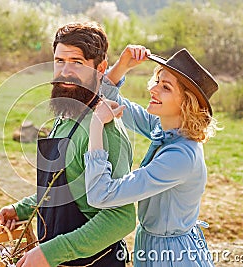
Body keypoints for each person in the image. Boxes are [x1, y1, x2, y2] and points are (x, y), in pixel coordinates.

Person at [0, 22, 136, 267]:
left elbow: (120, 218)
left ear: (100, 69)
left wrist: (52, 253)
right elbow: (66, 187)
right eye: (59, 61)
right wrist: (22, 209)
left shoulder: (105, 129)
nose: (65, 71)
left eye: (77, 63)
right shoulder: (66, 115)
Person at [84, 45, 219, 266]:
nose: (153, 90)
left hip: (172, 256)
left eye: (165, 87)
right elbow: (108, 100)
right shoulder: (165, 129)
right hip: (153, 246)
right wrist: (122, 65)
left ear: (187, 103)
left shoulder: (180, 157)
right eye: (157, 81)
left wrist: (96, 126)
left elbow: (101, 195)